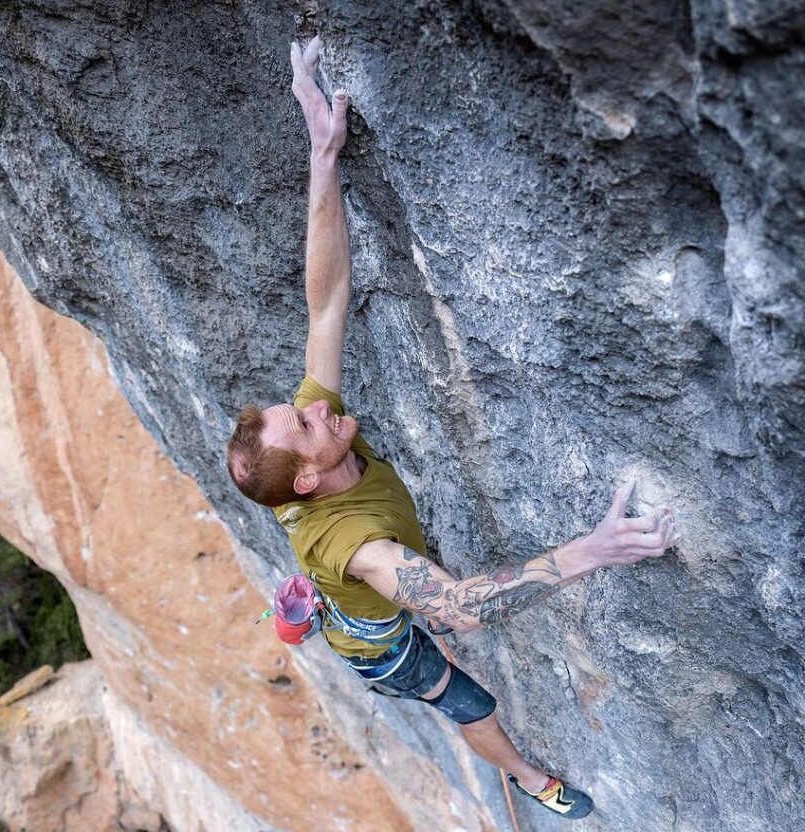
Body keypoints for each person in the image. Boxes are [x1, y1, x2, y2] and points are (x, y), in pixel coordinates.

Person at [227, 36, 679, 821]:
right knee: (471, 702)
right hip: (378, 642)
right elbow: (463, 606)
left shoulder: (317, 443)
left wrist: (323, 157)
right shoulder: (360, 547)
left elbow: (326, 298)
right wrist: (595, 549)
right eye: (304, 422)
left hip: (356, 577)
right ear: (306, 476)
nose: (317, 406)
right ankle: (533, 781)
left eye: (301, 406)